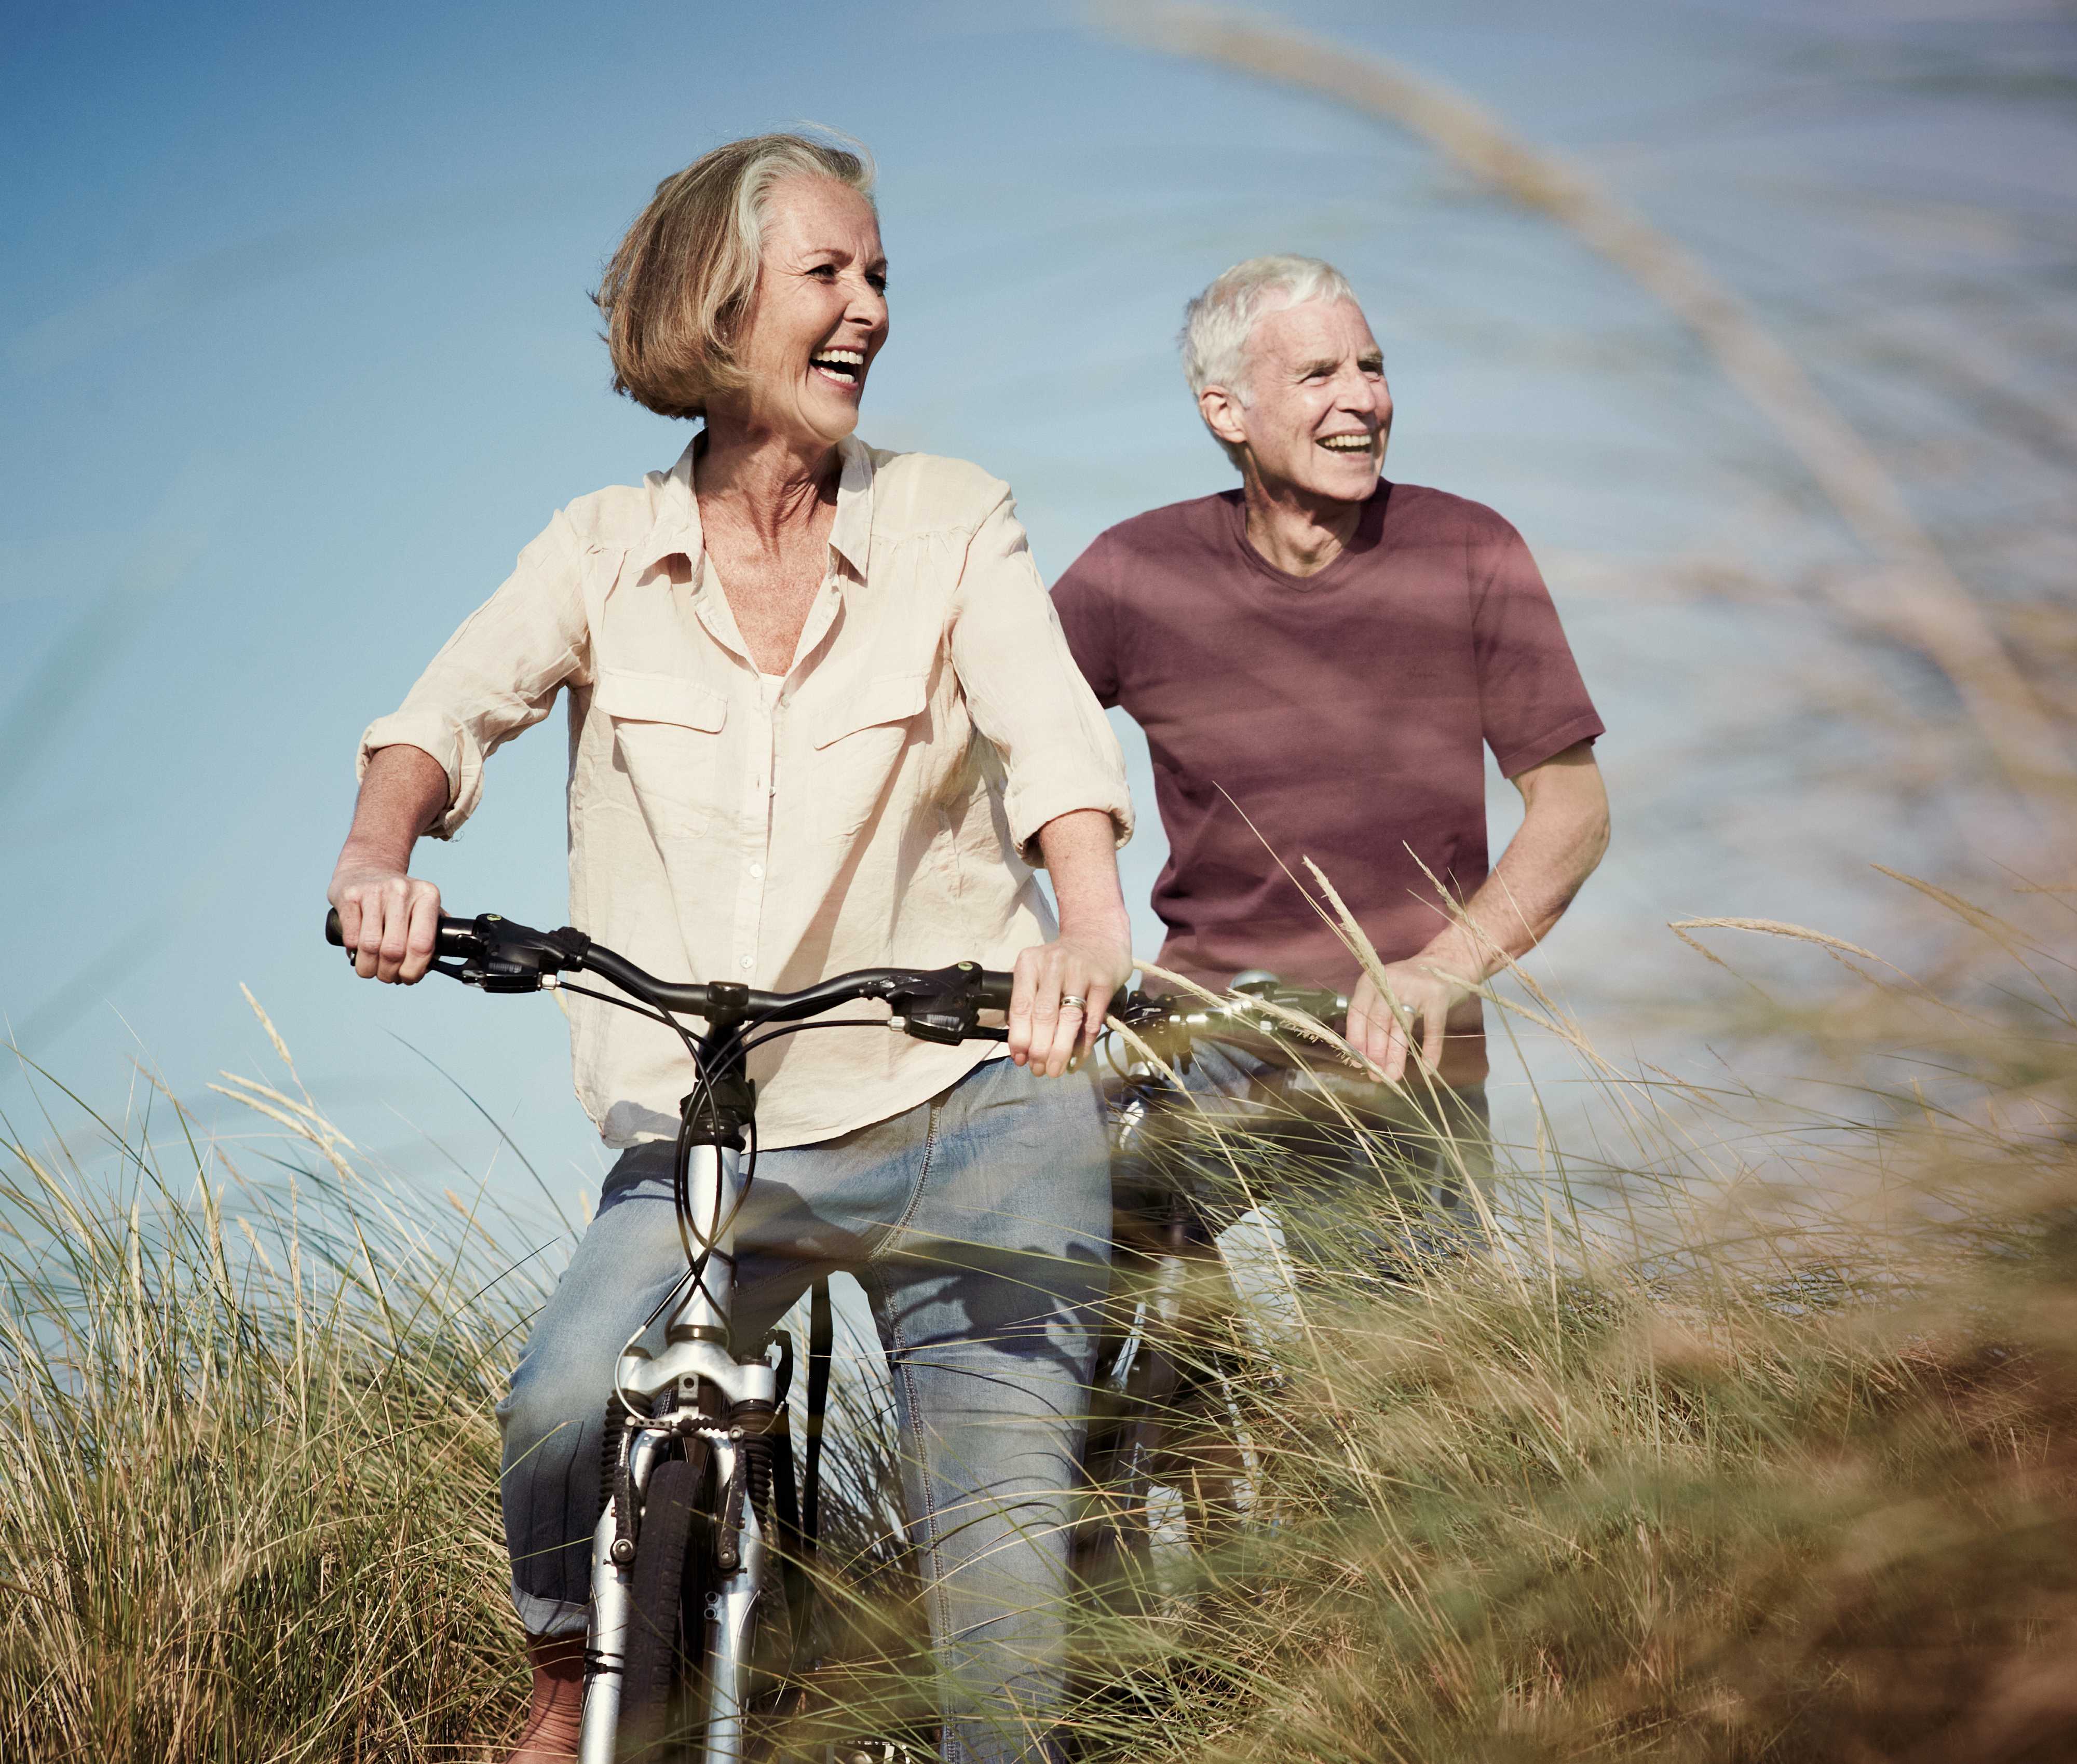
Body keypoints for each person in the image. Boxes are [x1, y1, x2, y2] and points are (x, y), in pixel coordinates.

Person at [327, 134, 1131, 1764]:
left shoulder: (953, 517)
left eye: (881, 276)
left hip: (971, 1102)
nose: (871, 311)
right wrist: (377, 855)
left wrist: (1091, 919)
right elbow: (441, 715)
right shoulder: (599, 548)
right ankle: (578, 1674)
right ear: (719, 300)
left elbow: (1053, 741)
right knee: (565, 1405)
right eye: (831, 274)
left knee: (1000, 1642)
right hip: (715, 1136)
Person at [1049, 254, 1608, 1232]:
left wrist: (1442, 967)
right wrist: (1077, 929)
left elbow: (1576, 812)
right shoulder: (1133, 572)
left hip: (1398, 1048)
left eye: (1373, 366)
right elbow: (1001, 738)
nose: (1364, 398)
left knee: (1394, 1379)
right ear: (1227, 412)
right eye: (1319, 375)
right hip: (1201, 1031)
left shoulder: (1471, 550)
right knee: (1068, 1258)